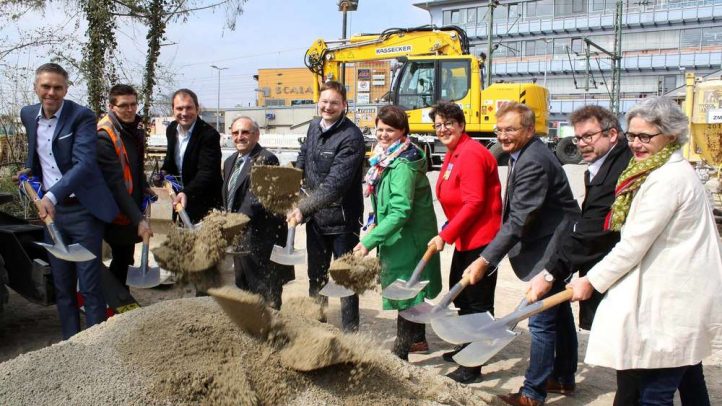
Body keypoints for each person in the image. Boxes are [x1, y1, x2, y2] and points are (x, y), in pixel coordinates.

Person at [568, 96, 722, 406]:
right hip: (673, 296)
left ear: (671, 135)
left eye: (645, 137)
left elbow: (633, 244)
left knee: (655, 391)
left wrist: (590, 281)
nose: (636, 144)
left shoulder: (668, 179)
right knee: (689, 375)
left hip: (675, 300)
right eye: (632, 135)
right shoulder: (652, 171)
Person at [464, 102, 580, 406]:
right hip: (555, 237)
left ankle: (533, 393)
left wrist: (485, 259)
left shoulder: (533, 161)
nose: (503, 135)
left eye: (511, 129)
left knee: (538, 320)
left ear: (529, 130)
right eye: (499, 130)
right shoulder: (524, 153)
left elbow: (518, 220)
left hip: (553, 245)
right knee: (559, 313)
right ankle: (564, 377)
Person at [525, 105, 632, 395]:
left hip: (625, 269)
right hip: (602, 258)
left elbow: (592, 230)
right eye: (578, 138)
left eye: (588, 136)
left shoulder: (618, 172)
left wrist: (550, 273)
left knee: (633, 357)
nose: (582, 144)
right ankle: (561, 377)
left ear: (612, 134)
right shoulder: (604, 165)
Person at [17, 63, 118, 339]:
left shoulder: (80, 117)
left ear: (66, 89)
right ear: (36, 87)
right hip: (53, 216)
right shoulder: (28, 114)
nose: (51, 93)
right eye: (46, 86)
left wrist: (51, 195)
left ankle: (97, 346)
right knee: (62, 287)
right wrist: (29, 172)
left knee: (89, 287)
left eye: (57, 87)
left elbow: (84, 164)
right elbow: (37, 153)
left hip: (83, 211)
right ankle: (71, 345)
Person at [352, 105, 441, 360]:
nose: (383, 134)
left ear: (403, 131)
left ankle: (400, 354)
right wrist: (374, 222)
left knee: (405, 290)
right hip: (400, 233)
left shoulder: (403, 163)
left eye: (390, 130)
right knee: (412, 289)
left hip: (409, 236)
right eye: (379, 129)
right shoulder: (386, 156)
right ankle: (418, 339)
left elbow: (401, 210)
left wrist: (368, 242)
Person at [426, 101, 502, 383]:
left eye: (448, 123)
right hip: (466, 237)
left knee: (477, 301)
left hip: (482, 239)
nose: (443, 129)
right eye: (438, 125)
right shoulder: (454, 152)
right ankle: (468, 344)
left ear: (461, 125)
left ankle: (473, 364)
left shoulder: (470, 153)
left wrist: (445, 235)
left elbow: (474, 202)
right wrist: (450, 231)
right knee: (460, 293)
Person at [287, 80, 365, 332]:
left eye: (334, 102)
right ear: (318, 102)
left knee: (345, 279)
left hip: (343, 221)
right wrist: (292, 180)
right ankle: (316, 325)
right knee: (316, 276)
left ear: (344, 105)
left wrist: (302, 208)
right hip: (317, 219)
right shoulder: (313, 127)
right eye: (324, 101)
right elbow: (304, 154)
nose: (328, 107)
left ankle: (351, 334)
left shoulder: (351, 137)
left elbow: (335, 185)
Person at [222, 116, 293, 309]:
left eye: (245, 132)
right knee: (244, 286)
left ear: (256, 134)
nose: (239, 137)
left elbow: (255, 199)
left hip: (261, 239)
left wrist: (232, 222)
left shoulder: (266, 158)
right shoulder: (230, 162)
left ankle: (272, 333)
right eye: (235, 133)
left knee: (266, 291)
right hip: (240, 237)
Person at [96, 84, 154, 288]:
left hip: (131, 205)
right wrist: (138, 219)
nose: (130, 110)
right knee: (121, 260)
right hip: (117, 210)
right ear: (111, 107)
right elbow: (115, 184)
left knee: (125, 259)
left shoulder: (131, 129)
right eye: (123, 106)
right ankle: (115, 303)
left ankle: (120, 300)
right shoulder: (105, 136)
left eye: (133, 104)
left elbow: (135, 164)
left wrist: (144, 185)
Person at [159, 89, 222, 224]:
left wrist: (186, 192)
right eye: (179, 108)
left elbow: (207, 172)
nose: (184, 113)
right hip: (179, 199)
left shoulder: (209, 135)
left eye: (189, 108)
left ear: (197, 109)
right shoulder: (171, 129)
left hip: (203, 202)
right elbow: (170, 161)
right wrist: (162, 173)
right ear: (173, 110)